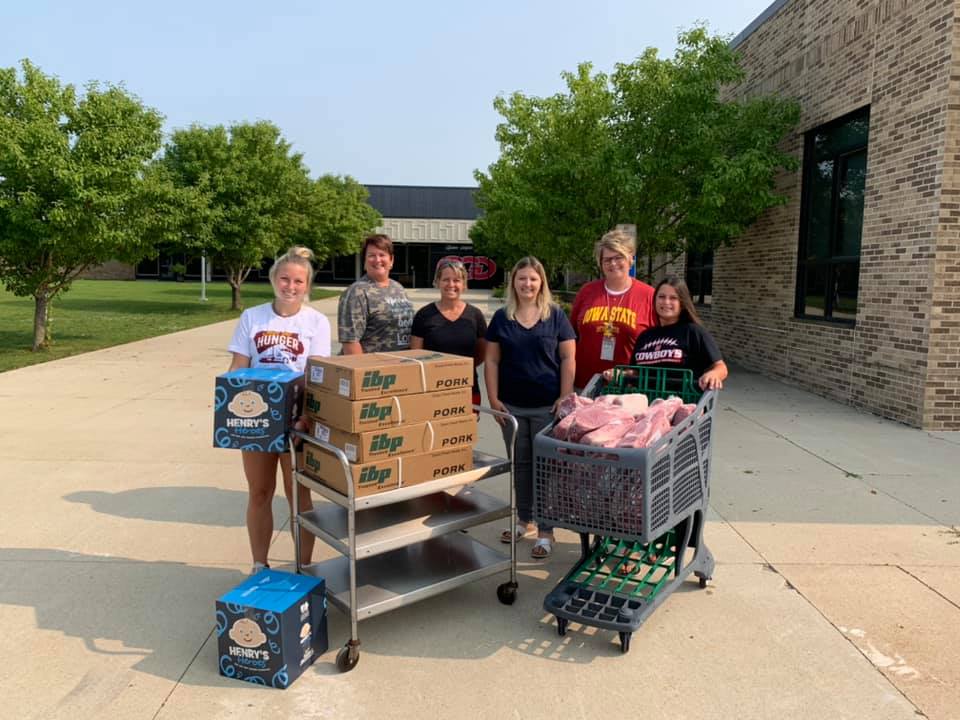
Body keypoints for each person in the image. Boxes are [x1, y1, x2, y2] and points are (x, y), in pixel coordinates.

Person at [227, 246, 332, 575]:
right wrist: (230, 408)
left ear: (307, 285)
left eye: (298, 281)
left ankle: (304, 567)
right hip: (257, 419)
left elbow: (318, 375)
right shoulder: (252, 317)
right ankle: (260, 565)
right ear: (273, 280)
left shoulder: (316, 321)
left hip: (297, 421)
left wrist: (306, 417)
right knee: (259, 492)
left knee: (298, 495)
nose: (291, 286)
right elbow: (238, 368)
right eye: (284, 279)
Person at [485, 257, 576, 559]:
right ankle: (524, 520)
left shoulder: (556, 317)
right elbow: (492, 361)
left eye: (533, 279)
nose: (527, 284)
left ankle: (547, 531)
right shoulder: (501, 318)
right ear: (514, 282)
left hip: (545, 408)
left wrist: (565, 396)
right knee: (520, 465)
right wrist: (494, 400)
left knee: (546, 469)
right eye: (522, 278)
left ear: (542, 283)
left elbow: (568, 359)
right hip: (511, 407)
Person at [605, 275, 727, 391]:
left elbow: (720, 367)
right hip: (645, 402)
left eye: (673, 298)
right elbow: (636, 371)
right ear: (654, 300)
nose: (666, 302)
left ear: (682, 303)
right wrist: (619, 374)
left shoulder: (693, 332)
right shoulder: (645, 336)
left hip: (683, 403)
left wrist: (714, 374)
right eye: (661, 297)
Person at [570, 229, 656, 390]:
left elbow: (658, 347)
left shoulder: (649, 295)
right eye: (607, 259)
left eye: (618, 257)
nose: (613, 263)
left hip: (627, 389)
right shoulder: (587, 292)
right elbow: (570, 336)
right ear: (600, 263)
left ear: (631, 259)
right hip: (583, 385)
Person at [410, 259, 487, 407]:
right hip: (432, 390)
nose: (451, 285)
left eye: (457, 280)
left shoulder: (475, 315)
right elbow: (416, 356)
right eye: (446, 279)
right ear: (437, 282)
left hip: (468, 388)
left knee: (466, 429)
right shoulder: (423, 315)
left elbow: (481, 355)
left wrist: (460, 369)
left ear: (464, 284)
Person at [338, 234, 414, 354]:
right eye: (371, 255)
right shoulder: (357, 292)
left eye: (382, 255)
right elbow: (350, 342)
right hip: (374, 368)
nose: (377, 260)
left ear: (391, 260)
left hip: (400, 364)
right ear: (365, 261)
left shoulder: (398, 288)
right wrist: (365, 371)